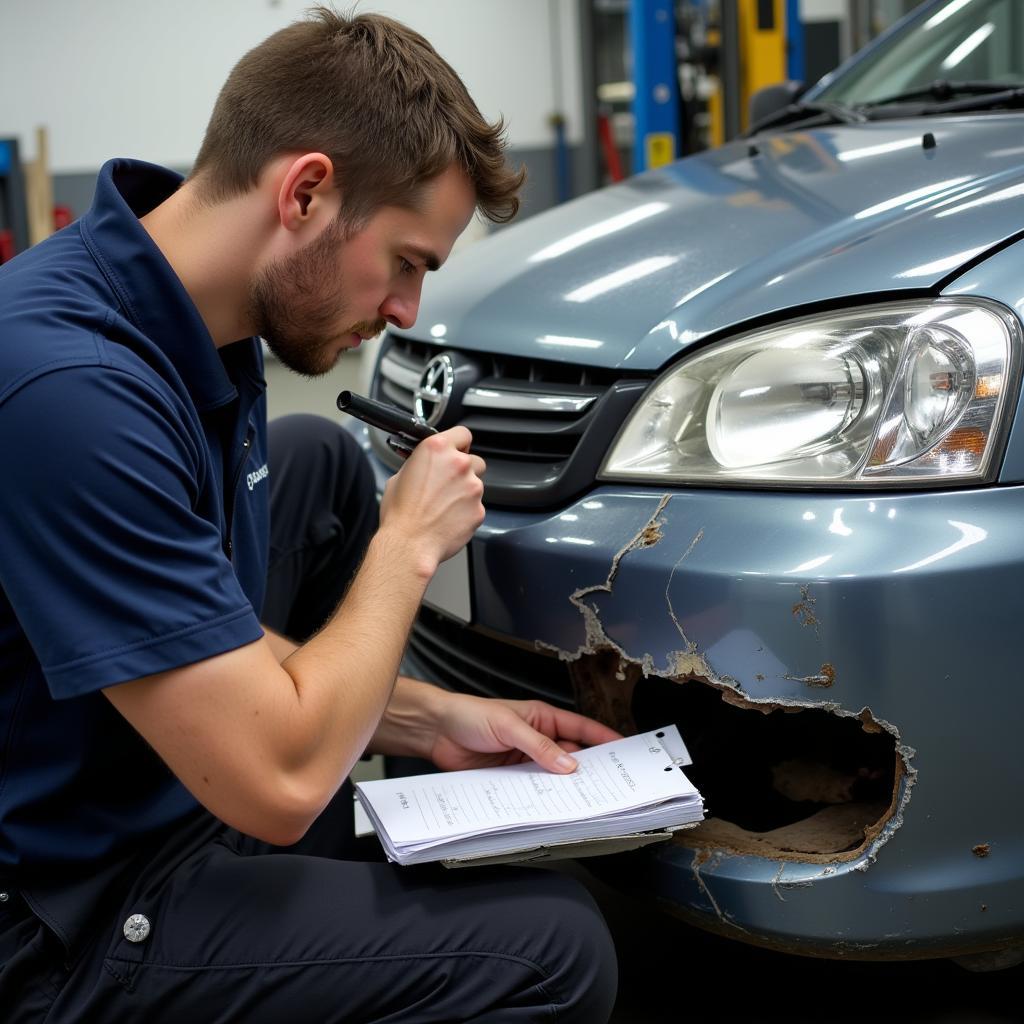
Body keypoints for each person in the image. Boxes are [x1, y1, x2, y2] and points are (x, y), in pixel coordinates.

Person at [0, 9, 620, 1022]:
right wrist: (407, 544)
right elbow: (278, 783)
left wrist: (432, 720)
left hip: (148, 759)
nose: (409, 310)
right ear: (304, 193)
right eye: (408, 261)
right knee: (554, 947)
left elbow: (204, 631)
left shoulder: (202, 311)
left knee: (315, 460)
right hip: (61, 916)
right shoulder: (69, 392)